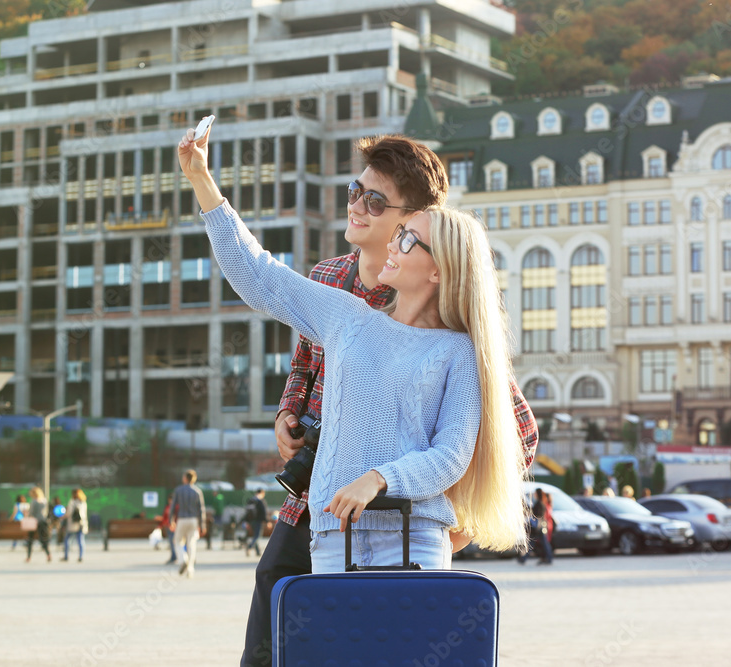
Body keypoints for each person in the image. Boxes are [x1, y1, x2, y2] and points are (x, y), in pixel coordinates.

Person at [226, 134, 539, 667]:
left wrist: (453, 518)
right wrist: (288, 410)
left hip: (403, 518)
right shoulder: (332, 280)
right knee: (273, 627)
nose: (357, 206)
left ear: (413, 222)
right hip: (318, 500)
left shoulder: (454, 345)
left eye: (375, 200)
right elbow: (303, 356)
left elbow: (515, 432)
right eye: (355, 191)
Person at [180, 127, 530, 567]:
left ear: (439, 270)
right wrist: (202, 181)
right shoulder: (347, 317)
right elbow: (260, 276)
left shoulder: (458, 353)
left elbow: (450, 456)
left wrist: (380, 479)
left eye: (405, 238)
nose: (393, 245)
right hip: (331, 537)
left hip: (414, 538)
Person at [170, 470, 205, 578]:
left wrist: (171, 520)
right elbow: (201, 509)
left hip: (182, 519)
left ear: (185, 478)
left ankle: (182, 559)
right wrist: (202, 525)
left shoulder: (178, 490)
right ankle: (190, 569)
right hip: (193, 520)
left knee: (177, 540)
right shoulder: (197, 491)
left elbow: (173, 507)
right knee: (191, 544)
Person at [518, 488, 552, 565]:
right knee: (540, 543)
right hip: (541, 527)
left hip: (538, 527)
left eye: (535, 493)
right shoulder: (541, 502)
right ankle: (548, 558)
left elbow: (537, 515)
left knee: (534, 543)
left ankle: (524, 558)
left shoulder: (539, 503)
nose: (534, 495)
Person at [25, 486, 52, 563]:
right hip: (43, 522)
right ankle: (48, 554)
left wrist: (28, 515)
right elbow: (46, 512)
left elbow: (31, 512)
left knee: (30, 540)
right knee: (43, 539)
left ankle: (29, 557)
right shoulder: (44, 501)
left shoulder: (34, 501)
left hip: (34, 522)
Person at [62, 488, 88, 562]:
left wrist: (64, 516)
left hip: (72, 524)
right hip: (81, 523)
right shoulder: (83, 502)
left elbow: (69, 513)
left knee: (67, 539)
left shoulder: (72, 502)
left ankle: (66, 556)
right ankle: (80, 556)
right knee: (80, 540)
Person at [245, 489, 269, 557]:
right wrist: (266, 521)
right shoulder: (260, 501)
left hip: (251, 521)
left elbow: (247, 512)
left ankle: (258, 552)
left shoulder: (251, 500)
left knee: (255, 536)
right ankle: (249, 547)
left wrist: (247, 521)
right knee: (257, 536)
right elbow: (264, 512)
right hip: (258, 521)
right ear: (261, 493)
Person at [157, 495, 178, 563]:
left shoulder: (176, 507)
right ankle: (174, 556)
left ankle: (177, 557)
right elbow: (165, 517)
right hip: (169, 526)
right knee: (171, 542)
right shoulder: (168, 507)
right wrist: (160, 525)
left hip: (176, 527)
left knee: (177, 542)